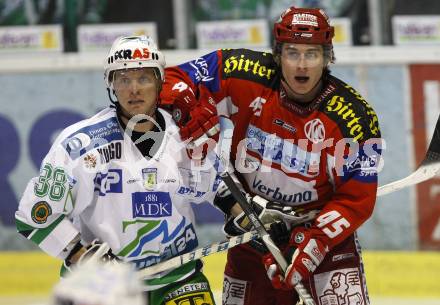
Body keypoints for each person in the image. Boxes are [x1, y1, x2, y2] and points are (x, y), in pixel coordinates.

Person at [160, 6, 382, 305]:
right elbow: (172, 78)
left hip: (323, 238)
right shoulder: (243, 71)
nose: (301, 65)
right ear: (277, 55)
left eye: (312, 53)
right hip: (253, 229)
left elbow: (357, 199)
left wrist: (314, 242)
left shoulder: (354, 116)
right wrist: (183, 102)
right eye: (292, 52)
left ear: (327, 57)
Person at [15, 35, 221, 305]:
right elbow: (34, 215)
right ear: (111, 84)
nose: (134, 89)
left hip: (178, 277)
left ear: (160, 82)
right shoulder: (80, 145)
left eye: (144, 78)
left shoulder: (185, 132)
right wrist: (82, 256)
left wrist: (245, 214)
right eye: (123, 79)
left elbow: (219, 186)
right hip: (103, 287)